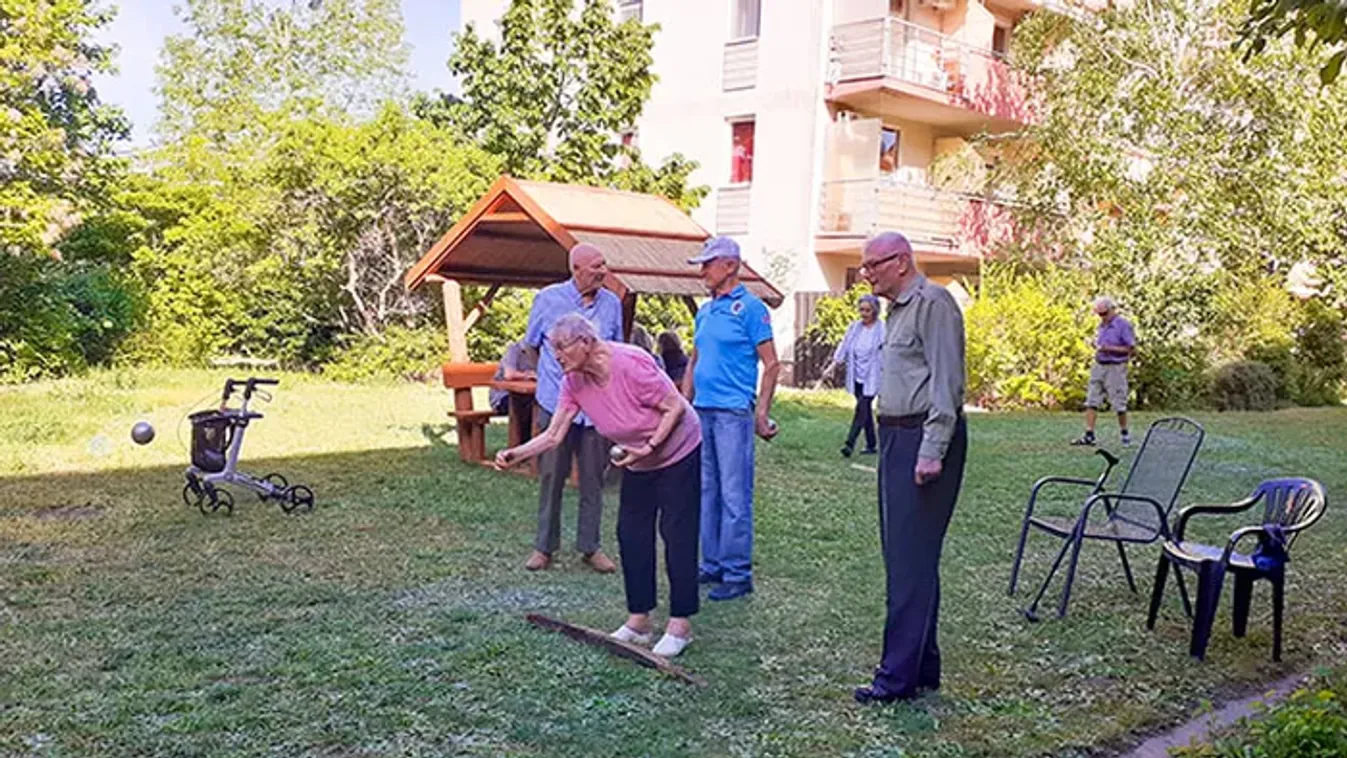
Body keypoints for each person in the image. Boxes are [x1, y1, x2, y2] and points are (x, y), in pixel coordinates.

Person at [495, 314, 703, 657]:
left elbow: (675, 407)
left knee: (676, 533)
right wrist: (515, 453)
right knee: (631, 533)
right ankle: (639, 622)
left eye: (562, 348)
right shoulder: (573, 381)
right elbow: (554, 434)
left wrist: (649, 448)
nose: (556, 356)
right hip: (637, 457)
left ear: (586, 343)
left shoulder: (631, 364)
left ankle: (680, 625)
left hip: (677, 451)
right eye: (552, 350)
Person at [854, 231, 968, 704]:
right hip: (897, 436)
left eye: (873, 264)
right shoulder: (895, 311)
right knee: (908, 558)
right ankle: (922, 668)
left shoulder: (934, 304)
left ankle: (895, 679)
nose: (867, 273)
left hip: (924, 436)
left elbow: (948, 382)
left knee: (908, 562)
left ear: (901, 261)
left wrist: (932, 448)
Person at [681, 236, 781, 602]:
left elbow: (772, 364)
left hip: (732, 414)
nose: (702, 271)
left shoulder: (751, 309)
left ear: (730, 266)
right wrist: (682, 406)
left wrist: (761, 413)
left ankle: (737, 574)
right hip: (701, 412)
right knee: (707, 490)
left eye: (708, 264)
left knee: (734, 495)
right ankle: (712, 565)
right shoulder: (705, 311)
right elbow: (694, 360)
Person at [521, 242, 623, 573]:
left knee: (593, 478)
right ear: (576, 269)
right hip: (557, 402)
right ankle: (544, 547)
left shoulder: (612, 303)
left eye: (604, 265)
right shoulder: (548, 299)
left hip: (595, 408)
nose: (603, 271)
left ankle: (590, 547)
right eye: (596, 266)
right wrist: (549, 378)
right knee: (552, 475)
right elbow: (531, 346)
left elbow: (613, 350)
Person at [819, 294, 884, 458]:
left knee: (862, 406)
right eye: (861, 310)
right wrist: (832, 366)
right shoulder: (855, 327)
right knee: (865, 409)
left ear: (875, 311)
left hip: (873, 374)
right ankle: (871, 444)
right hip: (856, 374)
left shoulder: (882, 329)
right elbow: (844, 345)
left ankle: (850, 443)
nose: (864, 314)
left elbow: (889, 351)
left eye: (868, 310)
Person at [1072, 296, 1136, 448]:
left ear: (1112, 310)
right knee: (1091, 400)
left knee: (1119, 402)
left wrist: (1110, 349)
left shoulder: (1123, 325)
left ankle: (1124, 434)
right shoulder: (1101, 326)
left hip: (1116, 367)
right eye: (1099, 314)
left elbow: (1131, 349)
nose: (1102, 317)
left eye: (1104, 313)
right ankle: (1089, 435)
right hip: (1099, 365)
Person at [489, 341, 538, 416]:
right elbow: (509, 375)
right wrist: (529, 375)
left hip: (529, 395)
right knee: (527, 404)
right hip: (503, 396)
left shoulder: (545, 353)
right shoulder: (515, 349)